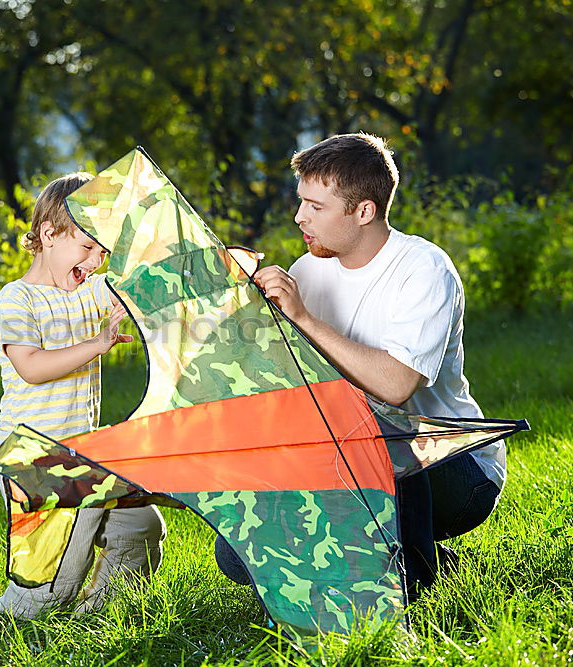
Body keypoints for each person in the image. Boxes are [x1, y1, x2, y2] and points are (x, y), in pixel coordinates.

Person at [214, 133, 503, 600]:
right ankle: (392, 554)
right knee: (235, 557)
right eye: (300, 202)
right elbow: (283, 382)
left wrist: (304, 319)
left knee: (382, 442)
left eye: (315, 206)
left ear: (364, 211)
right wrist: (239, 311)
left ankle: (412, 582)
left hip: (452, 470)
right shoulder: (308, 270)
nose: (299, 217)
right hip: (345, 453)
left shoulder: (424, 269)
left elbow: (395, 386)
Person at [0, 172, 166, 618]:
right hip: (31, 456)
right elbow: (30, 367)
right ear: (48, 235)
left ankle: (102, 611)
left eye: (101, 250)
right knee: (47, 593)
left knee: (139, 524)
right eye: (86, 247)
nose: (96, 258)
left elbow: (139, 282)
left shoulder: (88, 293)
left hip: (79, 454)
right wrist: (95, 346)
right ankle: (15, 610)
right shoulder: (16, 300)